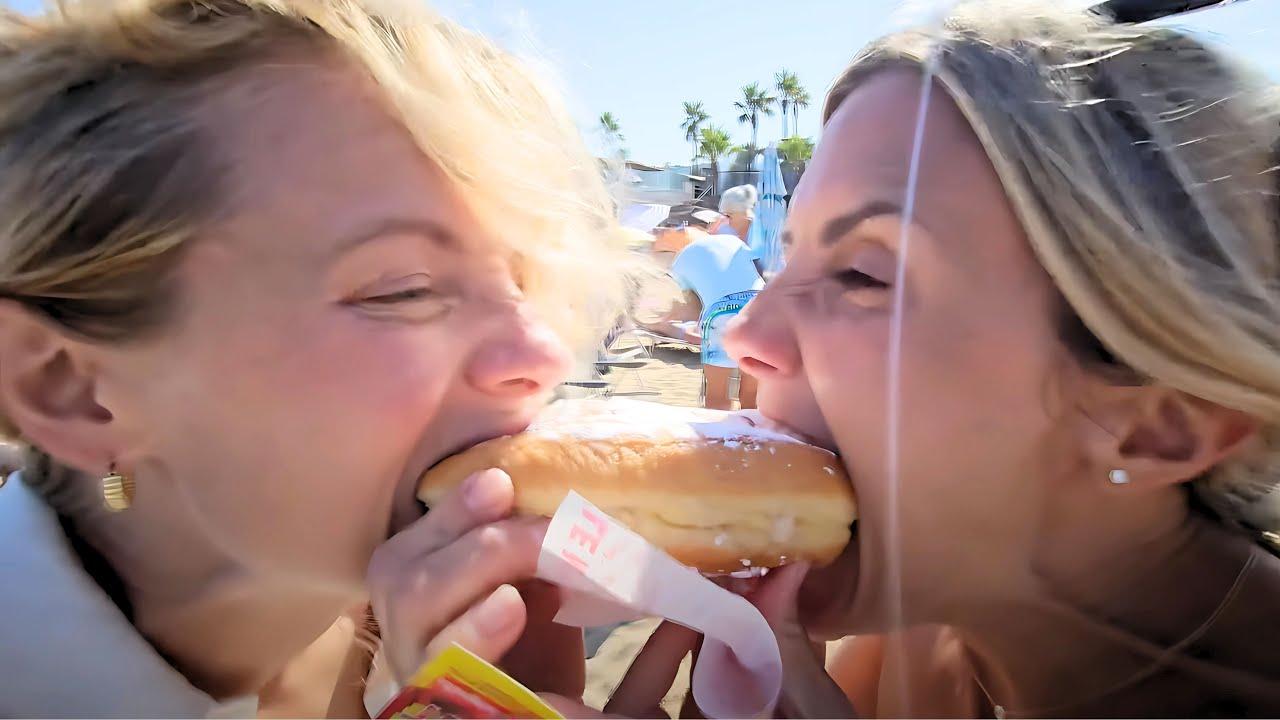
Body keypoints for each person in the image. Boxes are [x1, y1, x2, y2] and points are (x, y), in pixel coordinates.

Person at [0, 0, 639, 715]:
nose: (542, 353)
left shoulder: (437, 643)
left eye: (524, 280)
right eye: (405, 289)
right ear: (72, 389)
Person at [722, 1, 1280, 716]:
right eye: (788, 254)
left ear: (1160, 426)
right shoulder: (927, 632)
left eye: (862, 275)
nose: (745, 334)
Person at [641, 224, 764, 410]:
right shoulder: (733, 241)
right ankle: (752, 437)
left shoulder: (680, 264)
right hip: (759, 309)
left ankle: (723, 438)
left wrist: (661, 322)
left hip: (721, 313)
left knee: (717, 396)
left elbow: (688, 308)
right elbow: (756, 269)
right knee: (751, 394)